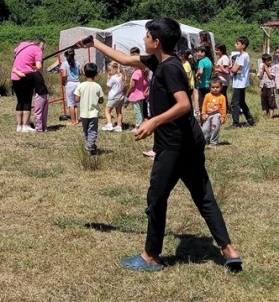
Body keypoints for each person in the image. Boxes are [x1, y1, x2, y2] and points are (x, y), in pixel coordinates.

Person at [79, 18, 242, 272]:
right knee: (203, 196)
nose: (143, 39)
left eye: (146, 36)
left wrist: (153, 121)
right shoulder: (160, 61)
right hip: (189, 142)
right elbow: (124, 59)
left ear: (156, 41)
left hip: (175, 145)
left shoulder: (170, 68)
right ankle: (229, 250)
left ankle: (151, 256)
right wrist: (94, 43)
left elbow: (184, 105)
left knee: (156, 198)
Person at [11, 39, 45, 132]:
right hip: (26, 76)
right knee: (27, 101)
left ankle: (19, 126)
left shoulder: (23, 44)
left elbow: (15, 50)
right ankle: (25, 125)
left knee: (20, 101)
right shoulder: (37, 50)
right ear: (41, 46)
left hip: (15, 75)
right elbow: (38, 66)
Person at [74, 63, 104, 155]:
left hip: (83, 114)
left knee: (86, 131)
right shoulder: (98, 86)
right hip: (93, 114)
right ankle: (91, 147)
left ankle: (90, 146)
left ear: (84, 73)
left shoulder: (80, 85)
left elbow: (77, 99)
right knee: (93, 131)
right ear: (96, 74)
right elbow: (101, 100)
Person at [228, 36, 255, 129]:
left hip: (240, 83)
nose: (235, 45)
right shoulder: (239, 56)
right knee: (242, 102)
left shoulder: (244, 56)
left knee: (235, 103)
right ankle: (250, 120)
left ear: (243, 45)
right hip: (237, 82)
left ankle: (235, 123)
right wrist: (233, 68)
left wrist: (233, 68)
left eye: (238, 43)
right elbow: (235, 68)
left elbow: (235, 69)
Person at [127, 47, 148, 131]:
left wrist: (127, 93)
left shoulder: (136, 73)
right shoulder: (141, 72)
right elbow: (144, 83)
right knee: (140, 110)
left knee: (137, 111)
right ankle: (140, 124)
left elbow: (132, 85)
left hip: (135, 95)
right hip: (140, 94)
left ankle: (138, 126)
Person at [201, 77, 226, 147]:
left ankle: (213, 142)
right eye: (213, 87)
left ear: (221, 87)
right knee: (205, 129)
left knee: (214, 129)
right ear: (210, 87)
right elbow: (204, 105)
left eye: (217, 87)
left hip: (217, 115)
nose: (215, 89)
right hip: (207, 115)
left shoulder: (222, 97)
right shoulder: (207, 96)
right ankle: (205, 141)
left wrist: (223, 117)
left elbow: (224, 108)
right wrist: (203, 114)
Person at [102, 62, 125, 132]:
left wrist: (108, 78)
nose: (109, 72)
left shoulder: (113, 78)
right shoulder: (120, 76)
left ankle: (109, 125)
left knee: (107, 111)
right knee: (119, 112)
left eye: (110, 70)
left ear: (115, 69)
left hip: (113, 97)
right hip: (121, 96)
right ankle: (119, 126)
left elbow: (108, 86)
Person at [60, 49, 81, 126]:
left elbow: (64, 75)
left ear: (65, 55)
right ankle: (76, 120)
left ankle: (72, 121)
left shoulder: (64, 63)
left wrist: (63, 81)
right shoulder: (77, 63)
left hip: (70, 84)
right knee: (75, 103)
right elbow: (80, 72)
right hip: (78, 83)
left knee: (71, 103)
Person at [194, 45, 213, 115]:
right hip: (208, 84)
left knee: (202, 104)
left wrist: (197, 75)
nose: (196, 53)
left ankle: (203, 118)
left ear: (203, 53)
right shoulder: (209, 61)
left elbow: (201, 71)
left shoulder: (201, 61)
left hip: (202, 85)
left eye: (198, 52)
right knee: (208, 102)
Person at [258, 53, 277, 119]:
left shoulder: (273, 67)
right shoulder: (261, 68)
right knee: (264, 100)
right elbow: (260, 77)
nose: (269, 62)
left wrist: (266, 70)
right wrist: (263, 70)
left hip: (270, 86)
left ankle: (271, 116)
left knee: (271, 101)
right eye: (268, 61)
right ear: (263, 62)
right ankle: (267, 114)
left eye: (270, 60)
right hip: (263, 86)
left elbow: (271, 77)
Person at [213, 43, 231, 112]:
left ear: (221, 50)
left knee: (222, 95)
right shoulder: (221, 58)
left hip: (223, 81)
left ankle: (225, 109)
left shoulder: (225, 58)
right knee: (222, 95)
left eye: (217, 50)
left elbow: (226, 71)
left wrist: (218, 69)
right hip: (221, 79)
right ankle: (225, 109)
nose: (216, 51)